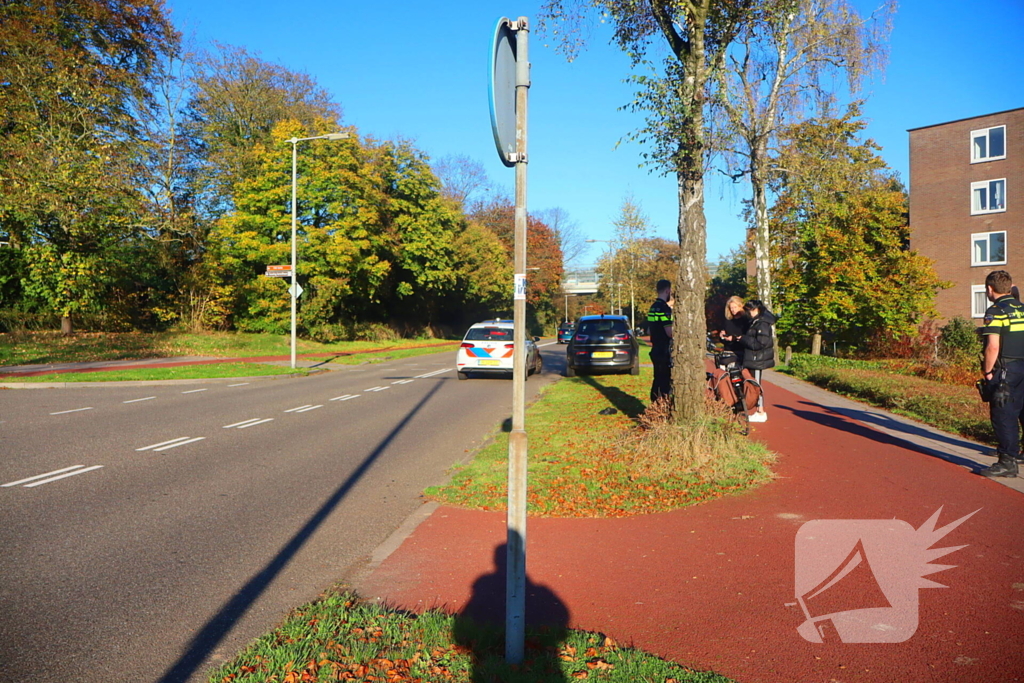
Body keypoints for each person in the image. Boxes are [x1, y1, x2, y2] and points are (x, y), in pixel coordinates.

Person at [978, 270, 1024, 478]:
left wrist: (988, 372)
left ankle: (1007, 461)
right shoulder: (1021, 308)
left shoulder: (995, 311)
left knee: (1003, 414)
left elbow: (992, 347)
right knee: (1022, 410)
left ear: (990, 289)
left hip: (1006, 369)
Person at [723, 299, 776, 422]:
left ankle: (761, 411)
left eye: (750, 310)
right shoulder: (756, 321)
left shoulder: (761, 323)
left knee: (756, 385)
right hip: (753, 358)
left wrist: (742, 339)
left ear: (756, 309)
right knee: (753, 384)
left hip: (757, 358)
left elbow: (759, 343)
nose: (749, 313)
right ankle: (758, 410)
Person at [647, 279, 673, 402]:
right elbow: (670, 332)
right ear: (668, 290)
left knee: (657, 379)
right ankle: (661, 407)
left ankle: (654, 406)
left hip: (655, 348)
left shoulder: (653, 308)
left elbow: (649, 331)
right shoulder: (665, 309)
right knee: (664, 382)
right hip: (664, 350)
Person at [719, 295, 749, 363]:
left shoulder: (746, 320)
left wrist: (734, 338)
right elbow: (723, 339)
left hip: (741, 352)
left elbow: (747, 337)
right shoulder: (728, 321)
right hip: (729, 351)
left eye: (735, 307)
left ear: (740, 306)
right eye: (731, 308)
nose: (733, 310)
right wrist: (722, 337)